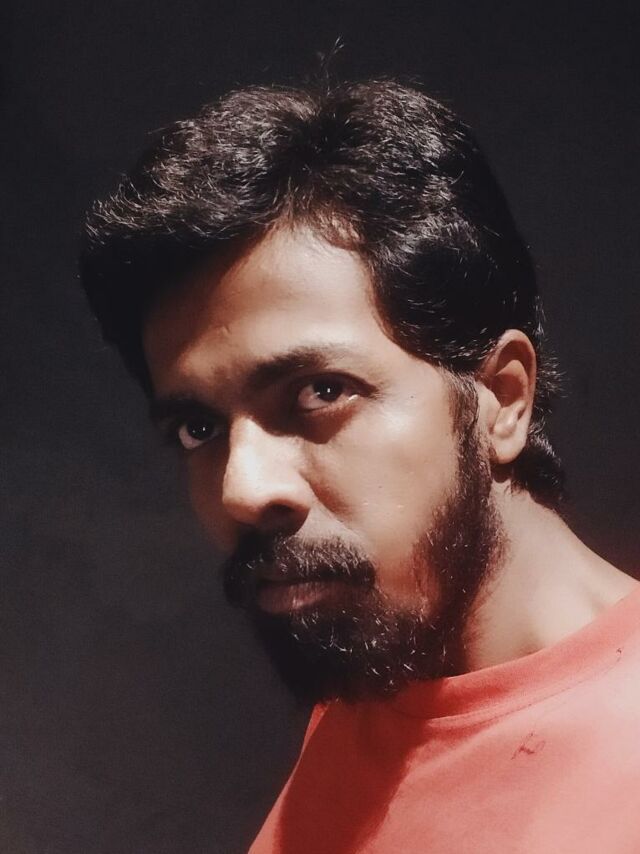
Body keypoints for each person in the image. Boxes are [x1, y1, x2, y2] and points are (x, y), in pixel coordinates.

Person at [80, 80, 640, 853]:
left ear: (502, 399)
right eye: (198, 427)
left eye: (320, 392)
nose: (243, 489)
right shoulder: (378, 676)